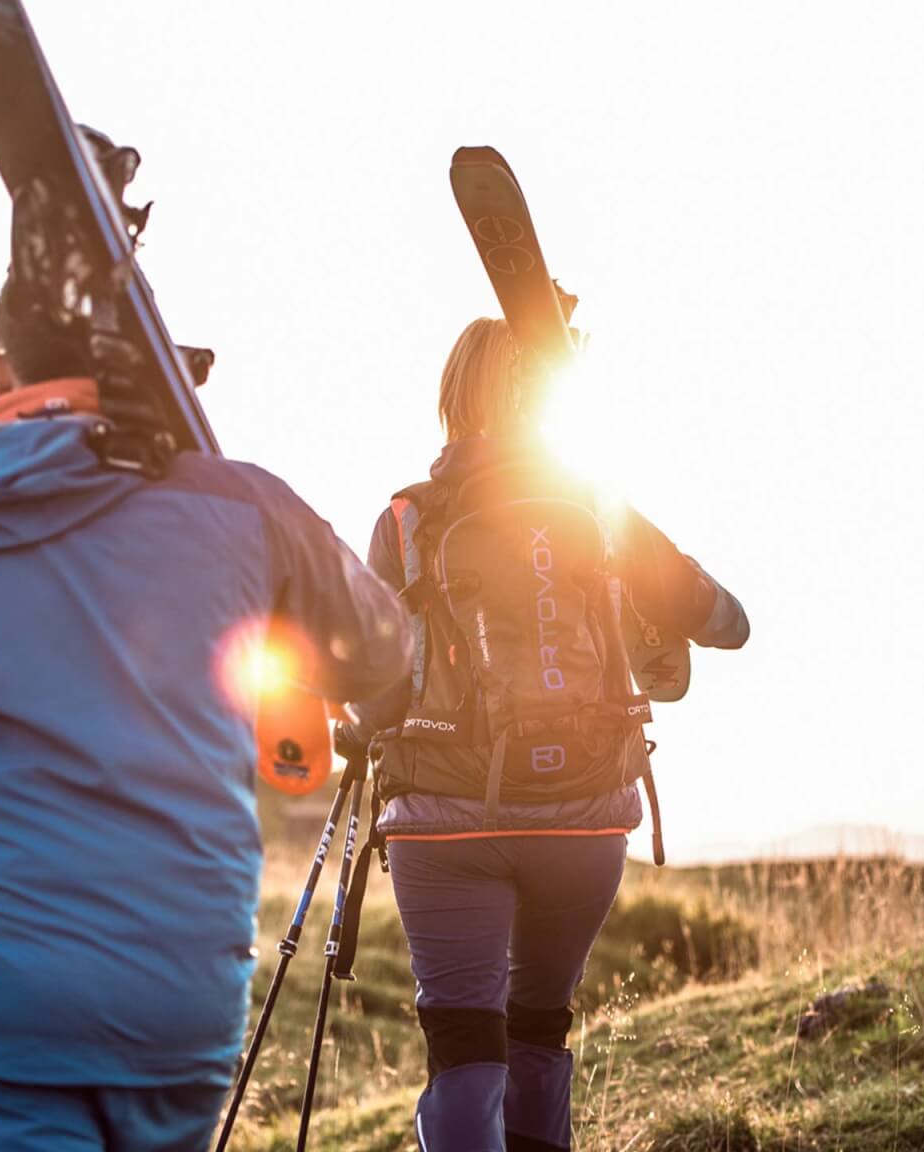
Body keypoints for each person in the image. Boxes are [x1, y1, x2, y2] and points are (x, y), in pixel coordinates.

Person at [0, 265, 411, 1151]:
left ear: (2, 371)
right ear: (150, 362)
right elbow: (387, 652)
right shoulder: (249, 508)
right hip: (182, 1011)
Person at [356, 317, 749, 1152]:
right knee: (538, 1031)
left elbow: (371, 674)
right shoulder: (600, 509)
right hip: (582, 817)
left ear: (454, 398)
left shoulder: (405, 522)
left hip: (444, 820)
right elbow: (730, 623)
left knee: (465, 1051)